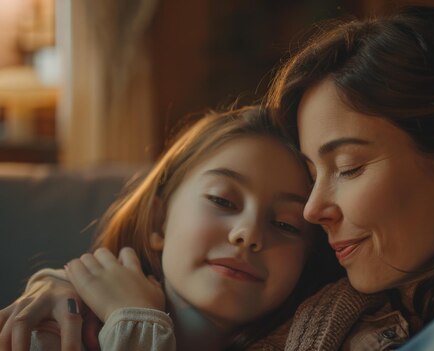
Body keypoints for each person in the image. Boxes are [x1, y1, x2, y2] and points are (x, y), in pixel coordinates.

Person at [2, 6, 434, 351]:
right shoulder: (321, 290)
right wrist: (74, 290)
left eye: (348, 167)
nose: (314, 210)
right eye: (316, 174)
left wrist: (138, 330)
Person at [0, 106, 341, 351]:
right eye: (223, 201)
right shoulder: (54, 330)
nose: (248, 233)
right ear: (159, 221)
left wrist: (136, 324)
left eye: (285, 224)